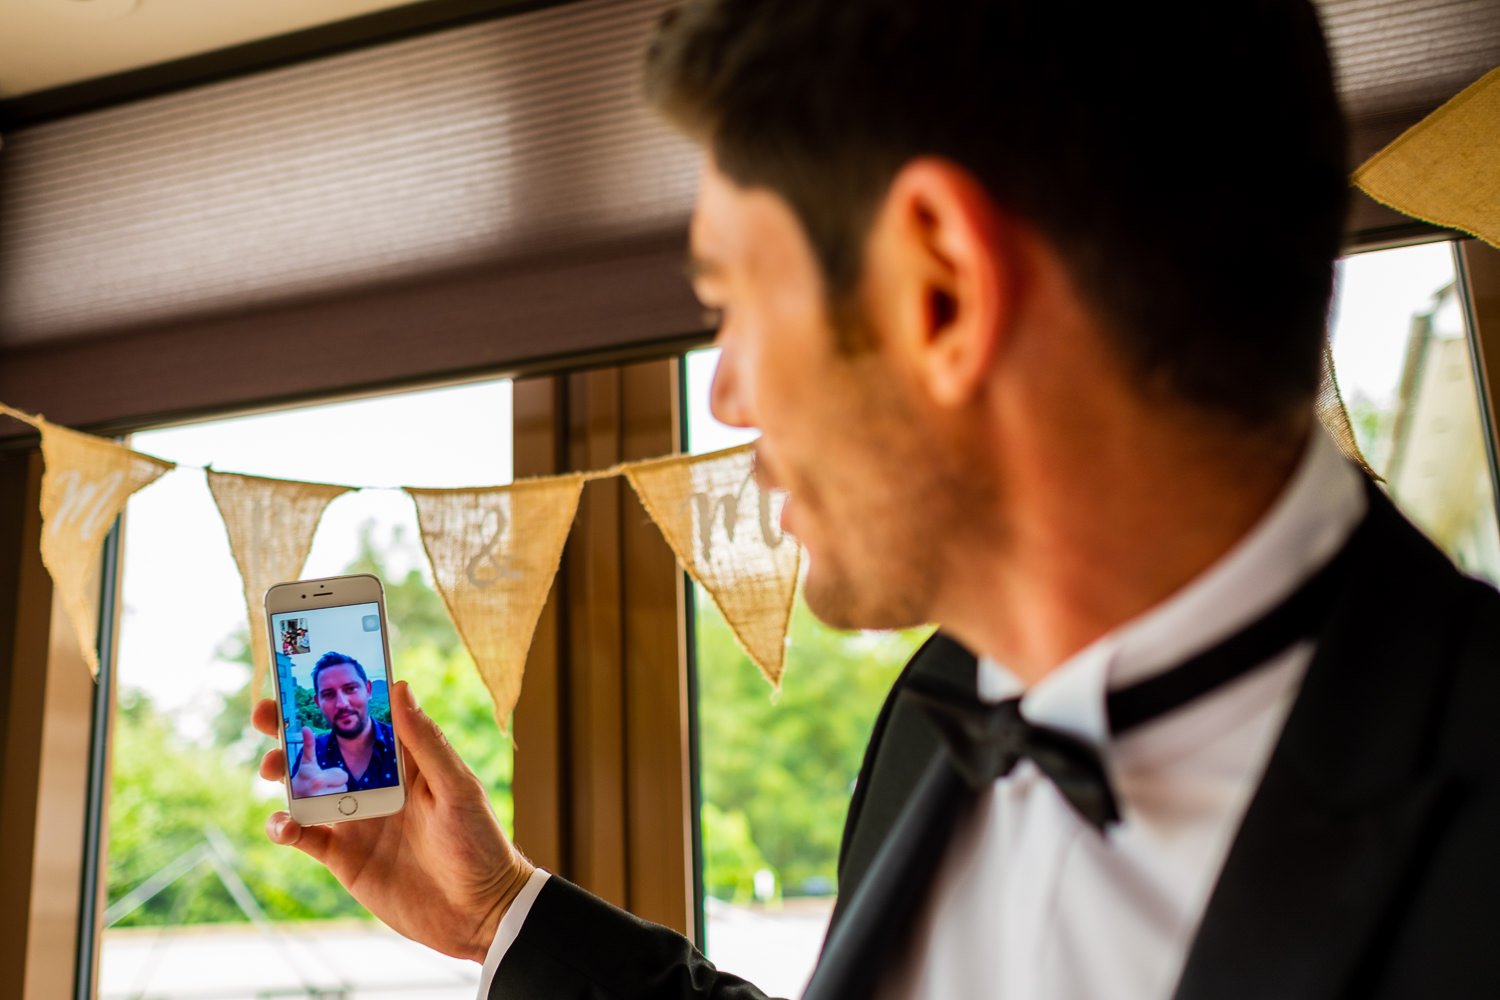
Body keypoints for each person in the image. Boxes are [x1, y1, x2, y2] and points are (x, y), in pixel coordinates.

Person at [252, 0, 1500, 997]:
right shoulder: (933, 709)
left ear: (942, 289)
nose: (730, 395)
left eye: (733, 300)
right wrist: (497, 914)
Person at [289, 651, 399, 796]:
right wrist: (299, 801)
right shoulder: (310, 758)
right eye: (328, 694)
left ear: (368, 690)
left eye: (351, 689)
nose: (342, 703)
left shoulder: (401, 743)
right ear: (317, 703)